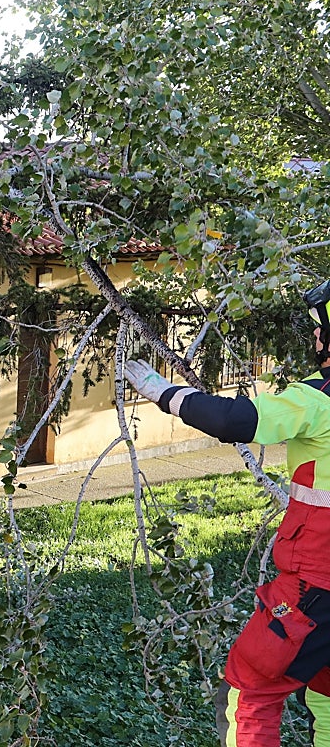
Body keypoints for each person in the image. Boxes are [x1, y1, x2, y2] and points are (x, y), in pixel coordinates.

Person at [125, 279, 330, 747]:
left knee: (251, 690)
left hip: (314, 583)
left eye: (321, 331)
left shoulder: (318, 400)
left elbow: (235, 421)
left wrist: (165, 394)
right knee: (325, 696)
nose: (316, 340)